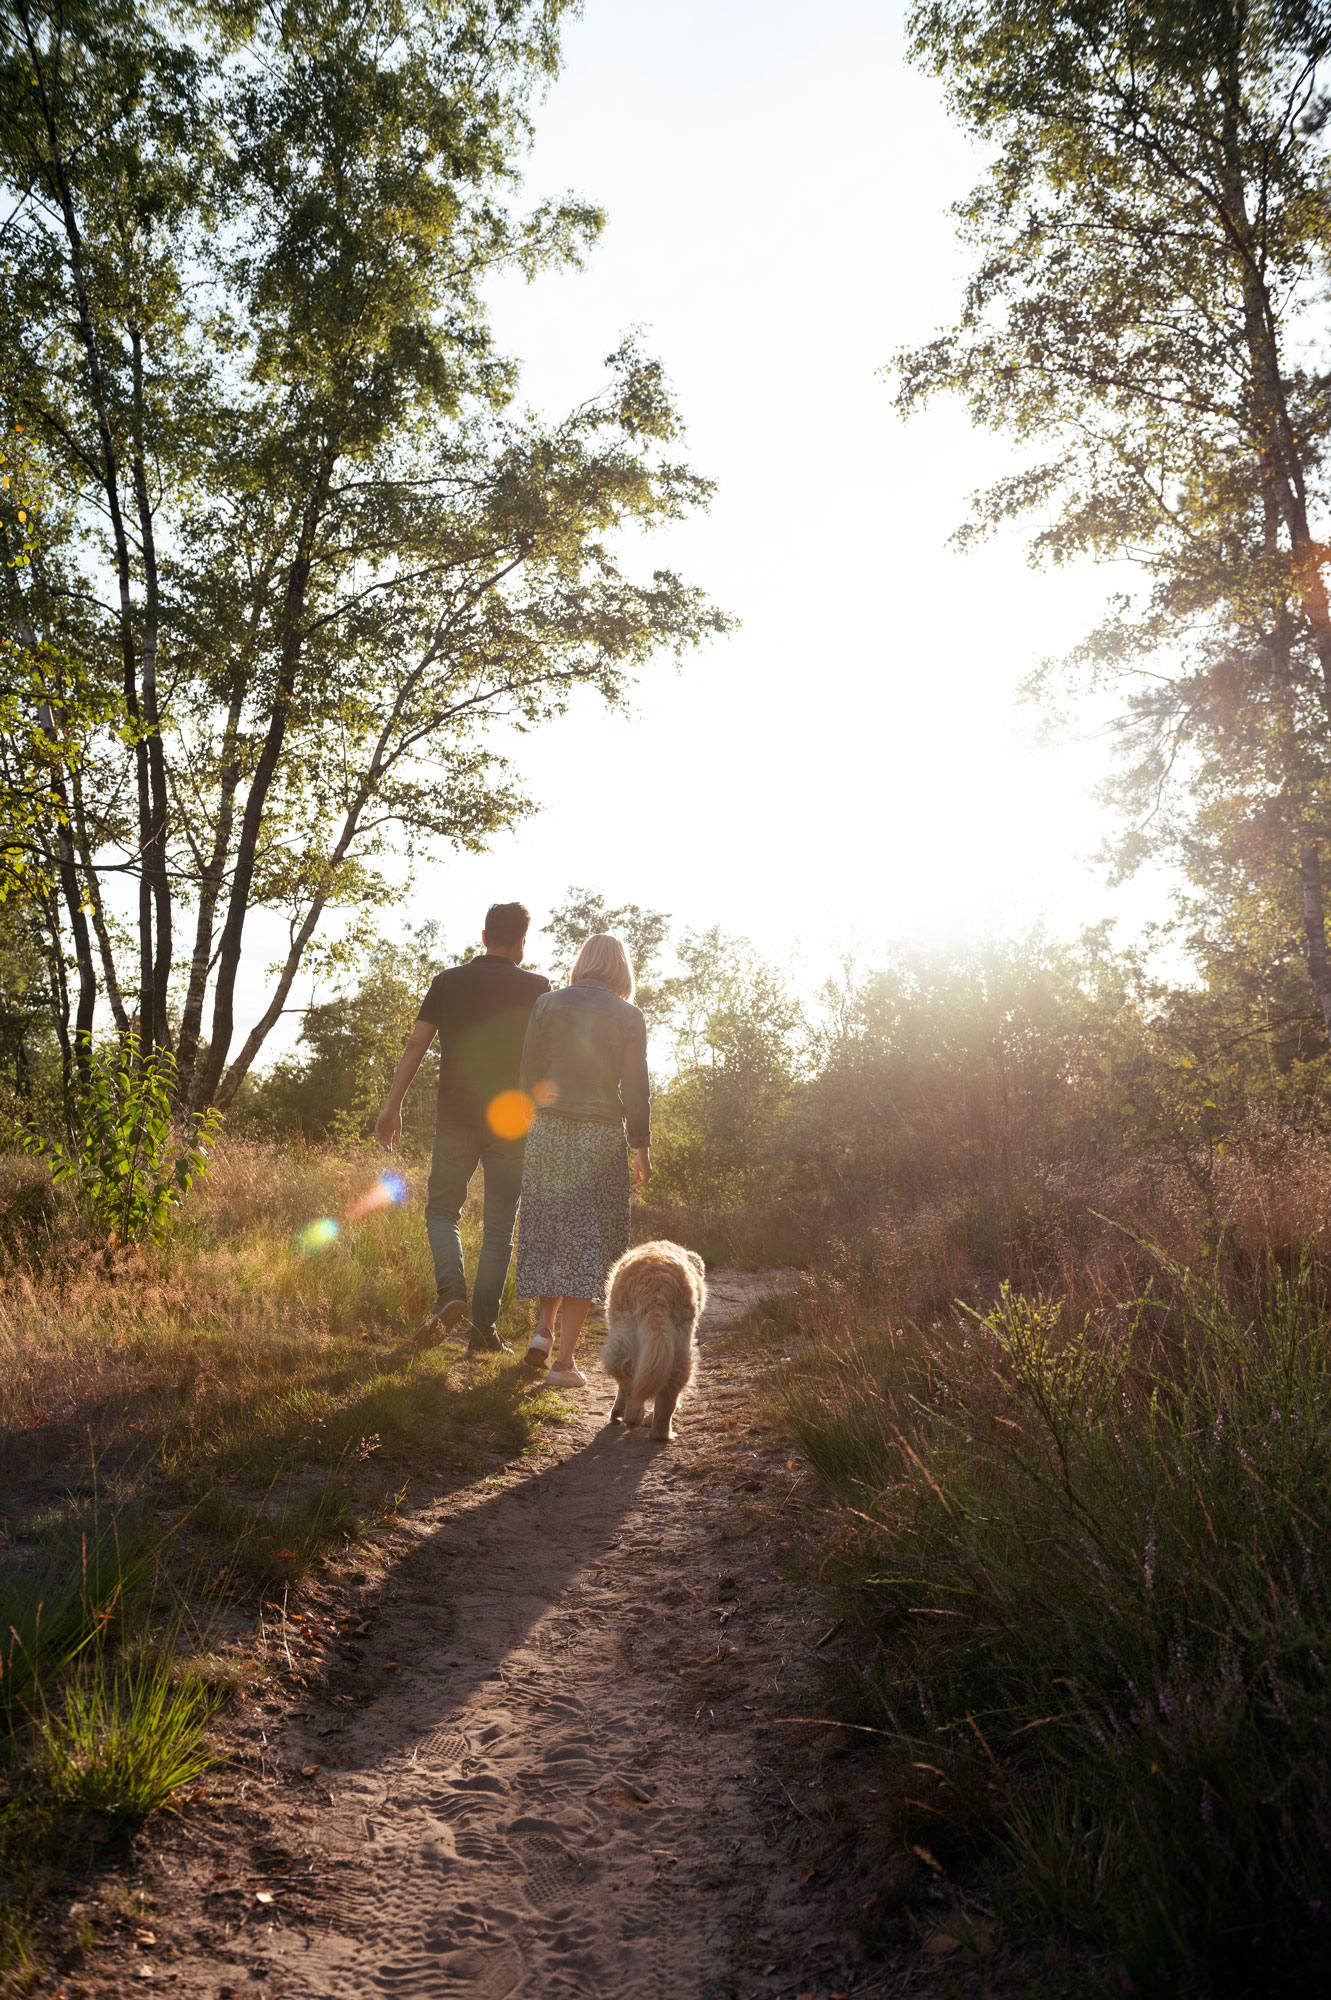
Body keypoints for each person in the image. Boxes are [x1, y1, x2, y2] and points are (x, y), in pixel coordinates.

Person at [375, 902, 550, 1354]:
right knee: (498, 1228)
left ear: (484, 934)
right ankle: (482, 1331)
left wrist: (391, 1106)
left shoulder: (448, 981)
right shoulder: (538, 988)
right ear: (521, 942)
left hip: (455, 1117)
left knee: (441, 1211)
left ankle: (450, 1292)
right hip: (512, 1121)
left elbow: (417, 1043)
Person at [515, 931, 652, 1387]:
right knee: (588, 1243)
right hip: (599, 1135)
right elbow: (635, 1089)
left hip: (549, 1129)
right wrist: (642, 1147)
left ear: (583, 962)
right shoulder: (629, 1016)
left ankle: (541, 1333)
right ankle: (564, 1364)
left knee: (553, 1229)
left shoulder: (547, 1004)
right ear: (621, 968)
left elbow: (528, 1072)